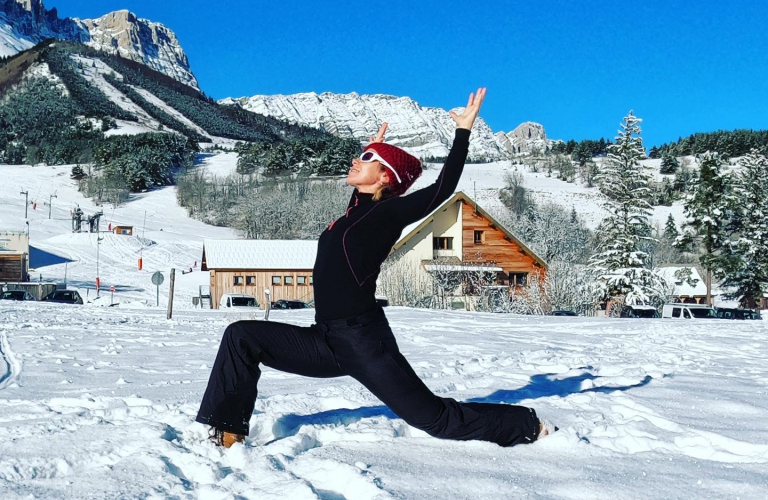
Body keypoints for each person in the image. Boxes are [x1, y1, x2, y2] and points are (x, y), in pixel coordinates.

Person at [196, 88, 556, 448]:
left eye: (366, 158)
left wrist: (463, 132)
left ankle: (525, 424)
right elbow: (360, 203)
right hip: (325, 339)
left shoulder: (388, 214)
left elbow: (442, 188)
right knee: (241, 336)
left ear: (385, 177)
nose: (355, 160)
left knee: (435, 419)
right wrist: (376, 148)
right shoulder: (355, 214)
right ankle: (229, 434)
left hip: (365, 343)